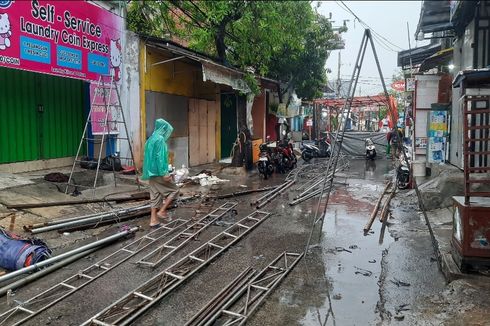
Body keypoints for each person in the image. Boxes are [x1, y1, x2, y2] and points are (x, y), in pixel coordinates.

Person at [141, 118, 179, 228]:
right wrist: (165, 172)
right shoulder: (160, 140)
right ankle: (162, 211)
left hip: (151, 173)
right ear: (163, 129)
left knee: (155, 195)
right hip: (159, 172)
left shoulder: (150, 139)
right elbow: (160, 158)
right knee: (175, 190)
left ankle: (153, 220)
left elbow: (147, 157)